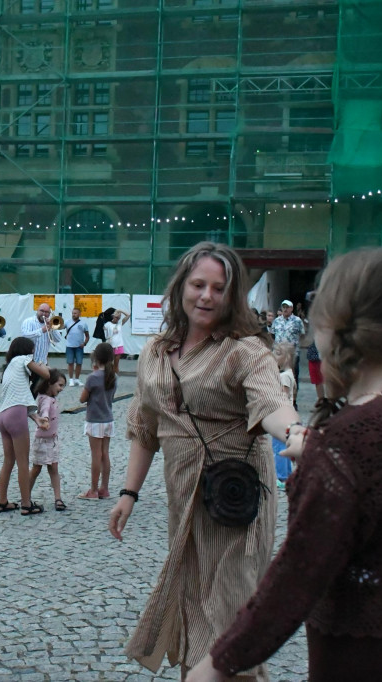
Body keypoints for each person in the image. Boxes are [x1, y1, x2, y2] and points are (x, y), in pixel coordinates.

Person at [188, 248, 382, 682]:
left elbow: (296, 578)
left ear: (336, 325)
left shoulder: (350, 441)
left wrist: (219, 663)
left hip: (368, 665)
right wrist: (325, 456)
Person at [108, 242, 297, 679]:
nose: (207, 296)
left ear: (232, 296)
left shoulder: (244, 350)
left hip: (235, 500)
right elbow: (145, 426)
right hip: (185, 495)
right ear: (181, 287)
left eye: (218, 288)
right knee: (193, 603)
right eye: (198, 285)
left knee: (230, 612)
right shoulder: (156, 350)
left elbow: (271, 404)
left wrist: (297, 433)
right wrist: (128, 493)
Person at [0, 336, 51, 516]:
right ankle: (26, 504)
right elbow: (46, 375)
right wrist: (42, 364)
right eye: (33, 350)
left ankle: (2, 501)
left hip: (4, 416)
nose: (34, 353)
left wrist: (35, 418)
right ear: (27, 350)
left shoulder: (9, 368)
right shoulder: (23, 359)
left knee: (8, 461)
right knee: (22, 462)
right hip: (16, 416)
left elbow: (17, 397)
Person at [78, 342, 116, 500]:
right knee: (105, 454)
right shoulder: (113, 376)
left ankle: (93, 490)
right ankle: (104, 489)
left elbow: (82, 399)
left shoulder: (92, 377)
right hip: (108, 419)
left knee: (96, 455)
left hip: (95, 420)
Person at [28, 369, 67, 511]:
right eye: (60, 385)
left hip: (52, 440)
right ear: (50, 383)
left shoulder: (51, 398)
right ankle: (26, 495)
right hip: (42, 441)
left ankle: (58, 498)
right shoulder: (45, 399)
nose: (61, 389)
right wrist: (44, 420)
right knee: (36, 469)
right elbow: (44, 411)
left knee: (53, 468)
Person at [271, 342, 296, 486]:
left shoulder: (284, 377)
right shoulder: (288, 374)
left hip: (281, 416)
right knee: (283, 446)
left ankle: (281, 477)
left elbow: (283, 397)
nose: (274, 356)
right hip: (286, 416)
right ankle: (285, 475)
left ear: (285, 357)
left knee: (279, 447)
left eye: (277, 353)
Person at [271, 299, 305, 400]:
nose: (285, 309)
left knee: (293, 376)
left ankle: (293, 400)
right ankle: (278, 398)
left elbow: (302, 334)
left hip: (292, 353)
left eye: (287, 307)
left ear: (291, 308)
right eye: (283, 307)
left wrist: (296, 345)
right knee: (277, 375)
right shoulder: (277, 321)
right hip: (278, 354)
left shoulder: (297, 321)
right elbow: (272, 334)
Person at [64, 307, 90, 386]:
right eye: (72, 313)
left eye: (75, 313)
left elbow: (87, 336)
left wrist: (84, 343)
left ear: (79, 314)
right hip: (69, 346)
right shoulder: (67, 322)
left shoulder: (83, 323)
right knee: (70, 363)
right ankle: (71, 379)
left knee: (79, 363)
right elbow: (59, 326)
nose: (73, 315)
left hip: (79, 347)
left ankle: (77, 379)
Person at [104, 309, 131, 374]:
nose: (117, 319)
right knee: (109, 363)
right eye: (116, 317)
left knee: (116, 364)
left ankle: (115, 377)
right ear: (113, 316)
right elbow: (103, 332)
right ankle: (108, 376)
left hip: (119, 345)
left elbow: (128, 315)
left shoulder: (120, 324)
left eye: (119, 318)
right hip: (110, 345)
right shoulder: (108, 324)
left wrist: (121, 311)